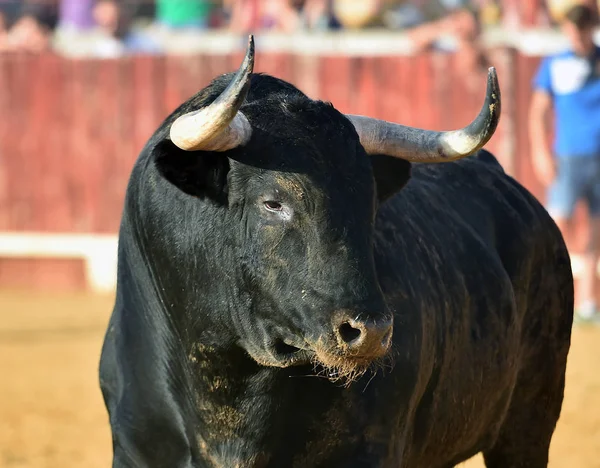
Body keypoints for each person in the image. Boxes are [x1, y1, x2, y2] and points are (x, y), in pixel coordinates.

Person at [529, 3, 600, 324]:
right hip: (569, 155)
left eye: (582, 30)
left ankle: (587, 301)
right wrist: (541, 152)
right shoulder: (555, 64)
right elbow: (538, 112)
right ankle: (549, 295)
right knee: (557, 223)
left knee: (596, 231)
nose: (577, 37)